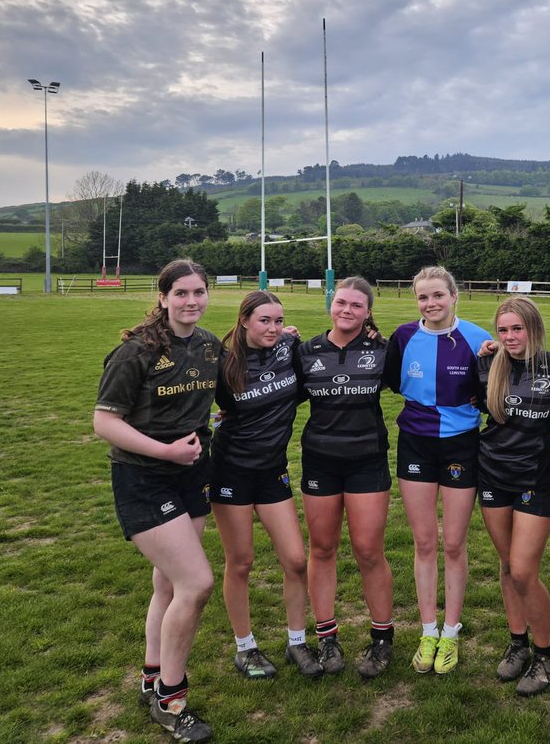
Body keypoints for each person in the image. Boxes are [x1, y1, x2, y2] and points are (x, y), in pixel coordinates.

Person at [94, 259, 218, 743]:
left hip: (192, 477)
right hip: (144, 477)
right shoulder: (135, 352)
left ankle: (151, 678)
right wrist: (164, 449)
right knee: (197, 583)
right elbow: (105, 423)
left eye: (199, 292)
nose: (192, 301)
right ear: (163, 296)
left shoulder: (208, 345)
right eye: (182, 293)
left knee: (168, 584)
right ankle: (171, 699)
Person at [385, 266, 493, 675]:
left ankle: (451, 631)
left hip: (462, 445)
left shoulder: (479, 339)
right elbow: (393, 382)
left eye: (437, 296)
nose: (430, 304)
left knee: (453, 544)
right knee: (425, 542)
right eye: (422, 298)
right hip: (415, 442)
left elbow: (493, 391)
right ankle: (428, 629)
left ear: (454, 296)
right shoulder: (403, 337)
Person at [211, 291, 322, 681]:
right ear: (244, 321)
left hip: (272, 470)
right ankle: (246, 648)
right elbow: (199, 406)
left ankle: (297, 641)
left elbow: (314, 375)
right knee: (240, 563)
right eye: (264, 321)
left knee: (295, 560)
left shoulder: (289, 347)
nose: (273, 328)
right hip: (231, 472)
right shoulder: (224, 365)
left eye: (278, 320)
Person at [297, 277, 395, 679]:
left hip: (367, 461)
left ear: (368, 311)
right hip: (320, 461)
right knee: (321, 549)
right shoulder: (304, 351)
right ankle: (327, 638)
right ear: (330, 305)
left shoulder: (382, 351)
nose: (347, 310)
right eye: (341, 303)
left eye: (357, 305)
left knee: (369, 550)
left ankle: (382, 639)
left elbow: (424, 381)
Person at [475, 297, 550, 695]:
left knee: (525, 569)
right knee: (507, 565)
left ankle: (546, 656)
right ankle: (517, 643)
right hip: (492, 470)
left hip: (536, 474)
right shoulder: (488, 365)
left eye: (517, 329)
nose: (510, 337)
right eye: (503, 330)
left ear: (533, 327)